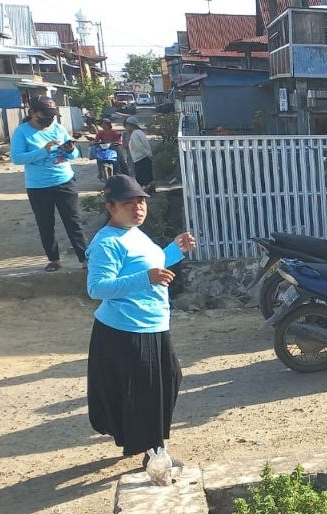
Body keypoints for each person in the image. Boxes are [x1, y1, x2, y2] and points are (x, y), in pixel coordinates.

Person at [86, 175, 197, 462]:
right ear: (111, 207)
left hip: (154, 322)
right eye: (128, 203)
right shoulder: (106, 242)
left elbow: (151, 263)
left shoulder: (135, 233)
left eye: (141, 202)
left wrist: (174, 250)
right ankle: (155, 453)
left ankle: (149, 444)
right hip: (125, 330)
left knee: (169, 380)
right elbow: (96, 288)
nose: (138, 208)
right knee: (147, 394)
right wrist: (145, 278)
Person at [11, 95, 88, 272]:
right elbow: (17, 158)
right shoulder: (22, 132)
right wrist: (44, 151)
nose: (50, 119)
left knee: (74, 222)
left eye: (52, 115)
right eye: (45, 115)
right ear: (32, 112)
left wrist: (70, 150)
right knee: (45, 224)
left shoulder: (58, 128)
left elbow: (74, 155)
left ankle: (85, 259)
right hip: (38, 187)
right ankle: (54, 260)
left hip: (65, 181)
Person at [124, 117, 154, 188]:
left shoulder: (134, 134)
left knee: (142, 179)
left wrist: (147, 154)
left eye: (127, 126)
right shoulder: (140, 132)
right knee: (146, 178)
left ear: (131, 125)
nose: (126, 128)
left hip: (140, 159)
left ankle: (144, 192)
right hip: (144, 158)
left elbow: (139, 147)